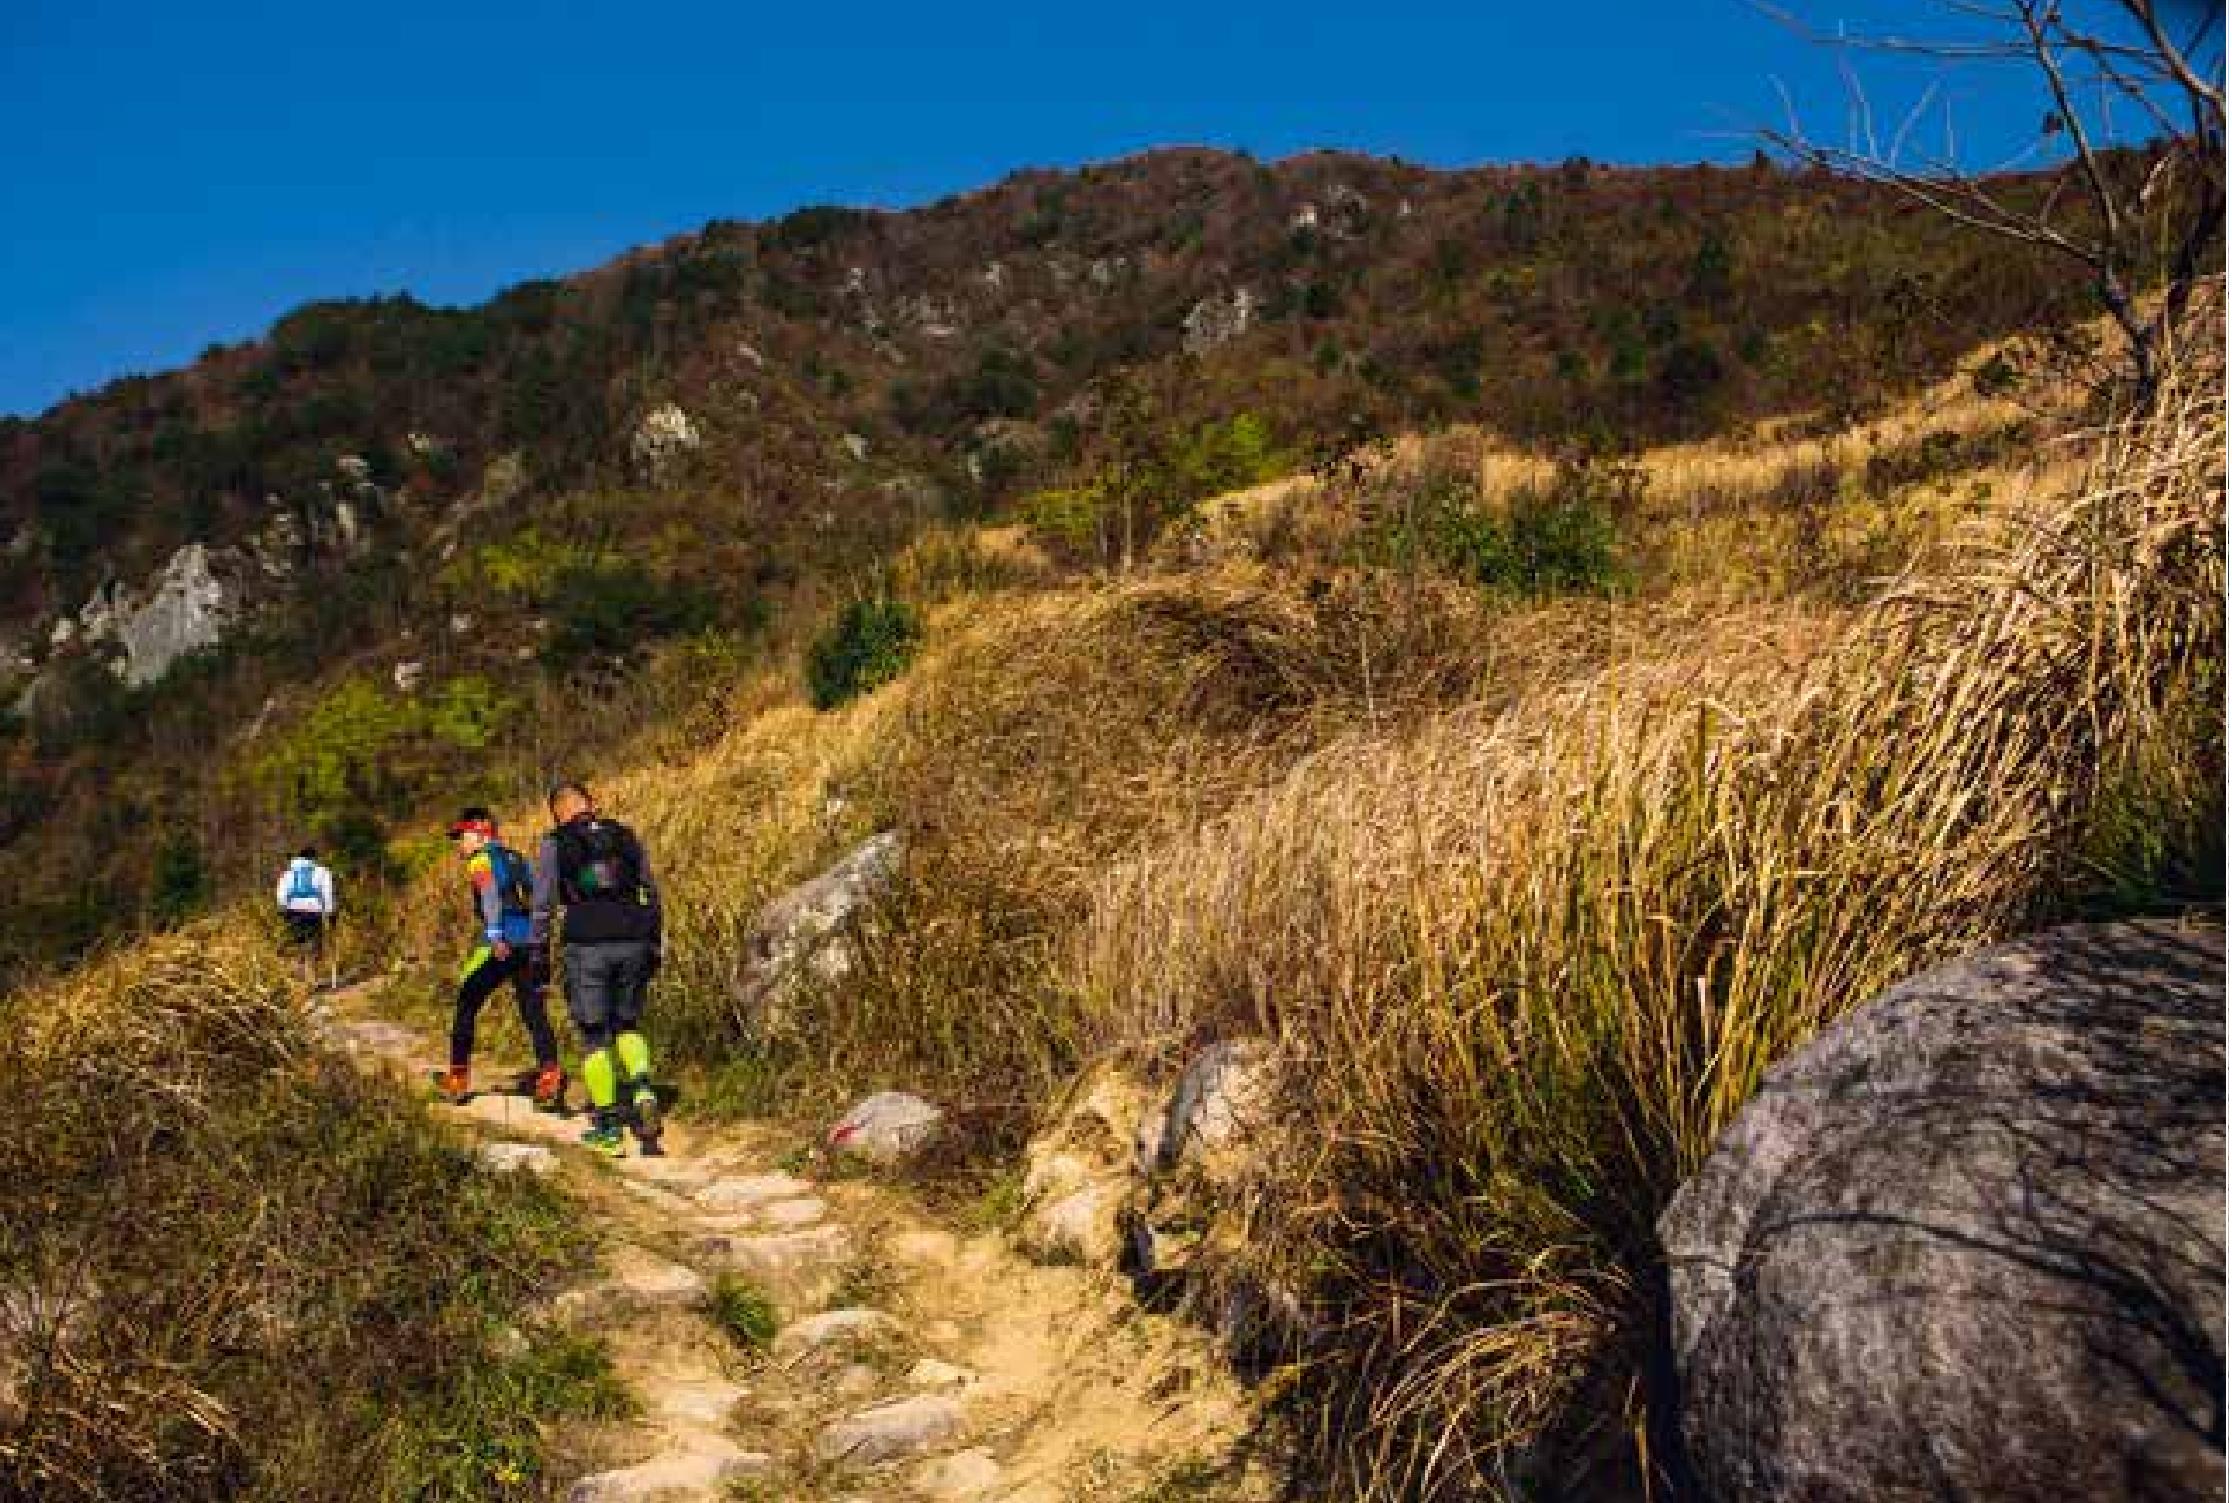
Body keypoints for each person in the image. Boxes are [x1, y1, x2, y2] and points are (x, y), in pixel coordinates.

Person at [530, 781, 664, 1157]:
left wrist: (538, 957)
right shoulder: (625, 836)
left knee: (594, 1037)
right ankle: (642, 1089)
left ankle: (608, 1128)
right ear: (593, 805)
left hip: (586, 944)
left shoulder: (554, 844)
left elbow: (542, 907)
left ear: (557, 812)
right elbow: (652, 893)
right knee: (627, 1025)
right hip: (633, 938)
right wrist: (654, 943)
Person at [429, 808, 566, 1111]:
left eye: (461, 837)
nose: (459, 845)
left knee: (467, 1001)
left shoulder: (480, 861)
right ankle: (550, 1075)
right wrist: (541, 935)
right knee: (533, 1011)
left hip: (501, 942)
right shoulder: (516, 858)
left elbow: (490, 895)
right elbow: (541, 893)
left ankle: (457, 1079)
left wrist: (494, 934)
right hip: (528, 941)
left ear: (480, 833)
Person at [274, 846, 337, 988]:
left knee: (298, 942)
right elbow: (327, 893)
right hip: (314, 911)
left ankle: (299, 974)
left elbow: (281, 893)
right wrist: (330, 912)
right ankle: (312, 978)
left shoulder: (289, 873)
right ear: (313, 858)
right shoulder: (322, 872)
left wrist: (283, 908)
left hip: (293, 910)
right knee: (314, 942)